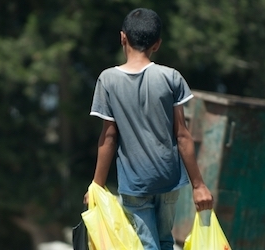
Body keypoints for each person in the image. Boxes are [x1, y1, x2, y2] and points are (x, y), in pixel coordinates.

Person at [83, 7, 214, 250]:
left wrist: (97, 186)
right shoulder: (170, 77)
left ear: (123, 37)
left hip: (135, 183)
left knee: (147, 245)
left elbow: (109, 136)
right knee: (164, 242)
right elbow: (182, 135)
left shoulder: (107, 80)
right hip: (169, 178)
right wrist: (199, 185)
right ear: (157, 44)